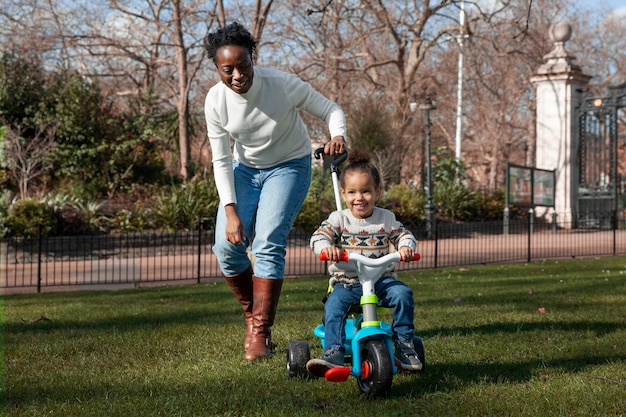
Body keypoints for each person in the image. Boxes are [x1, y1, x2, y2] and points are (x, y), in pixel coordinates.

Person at [204, 22, 346, 361]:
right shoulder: (215, 101)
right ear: (218, 69)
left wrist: (337, 135)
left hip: (288, 165)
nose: (237, 75)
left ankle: (260, 333)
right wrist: (230, 211)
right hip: (244, 170)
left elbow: (331, 109)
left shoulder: (282, 84)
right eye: (228, 70)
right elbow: (221, 159)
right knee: (226, 246)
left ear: (253, 58)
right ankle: (254, 315)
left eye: (243, 65)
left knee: (267, 241)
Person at [306, 149, 422, 377]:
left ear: (377, 192)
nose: (359, 198)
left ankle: (404, 344)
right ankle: (333, 352)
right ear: (343, 193)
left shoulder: (386, 218)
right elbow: (318, 237)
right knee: (334, 306)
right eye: (352, 192)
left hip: (381, 281)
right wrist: (326, 248)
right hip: (347, 282)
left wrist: (406, 247)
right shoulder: (338, 219)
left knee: (403, 295)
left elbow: (403, 234)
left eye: (366, 191)